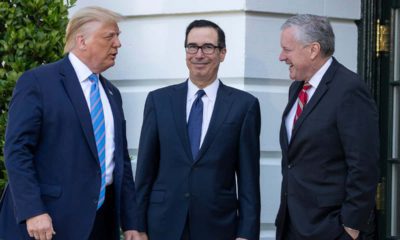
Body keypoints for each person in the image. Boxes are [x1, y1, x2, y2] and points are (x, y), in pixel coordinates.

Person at [0, 6, 141, 240]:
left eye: (118, 37)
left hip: (100, 224)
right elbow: (17, 150)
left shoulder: (112, 93)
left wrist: (131, 223)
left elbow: (121, 163)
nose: (118, 44)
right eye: (110, 36)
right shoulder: (38, 82)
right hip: (48, 223)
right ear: (81, 41)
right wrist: (33, 210)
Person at [135, 19, 261, 240]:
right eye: (192, 46)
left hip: (218, 227)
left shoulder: (244, 106)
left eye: (208, 47)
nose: (199, 54)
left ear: (222, 53)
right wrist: (137, 226)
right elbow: (145, 170)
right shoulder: (158, 101)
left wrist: (247, 233)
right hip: (162, 225)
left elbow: (249, 178)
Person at [275, 14, 379, 240]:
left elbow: (364, 165)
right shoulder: (298, 89)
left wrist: (351, 226)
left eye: (287, 49)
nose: (281, 57)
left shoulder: (349, 89)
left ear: (313, 50)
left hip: (331, 229)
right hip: (293, 224)